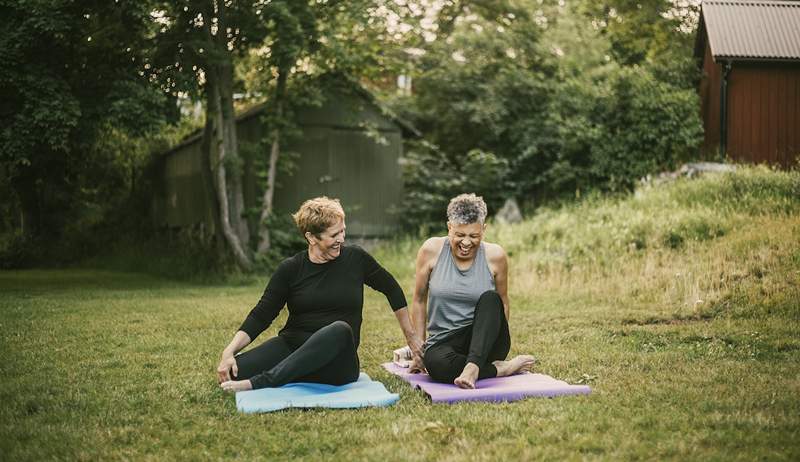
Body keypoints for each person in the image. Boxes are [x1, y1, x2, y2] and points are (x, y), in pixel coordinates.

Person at [217, 196, 423, 392]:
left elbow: (392, 288)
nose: (341, 239)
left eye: (343, 231)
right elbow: (261, 315)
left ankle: (265, 381)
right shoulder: (291, 269)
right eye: (334, 235)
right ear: (311, 237)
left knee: (340, 329)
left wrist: (411, 337)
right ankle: (294, 371)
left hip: (338, 360)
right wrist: (230, 351)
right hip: (294, 346)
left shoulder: (355, 258)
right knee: (234, 372)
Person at [410, 193, 535, 389]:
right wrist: (418, 351)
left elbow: (502, 304)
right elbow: (418, 300)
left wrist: (488, 343)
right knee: (436, 366)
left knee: (491, 299)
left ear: (483, 230)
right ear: (449, 227)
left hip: (483, 340)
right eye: (459, 235)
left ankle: (474, 366)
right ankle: (500, 369)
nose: (466, 243)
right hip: (444, 342)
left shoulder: (496, 256)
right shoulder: (431, 250)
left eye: (474, 236)